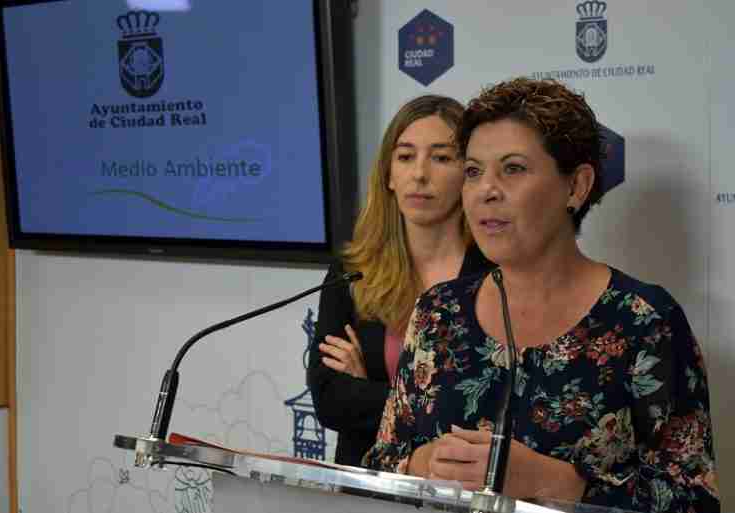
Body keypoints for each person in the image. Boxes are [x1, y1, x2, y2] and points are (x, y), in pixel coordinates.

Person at [363, 78, 719, 513]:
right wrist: (423, 463)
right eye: (473, 171)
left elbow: (694, 500)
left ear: (576, 186)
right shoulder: (439, 312)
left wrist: (557, 483)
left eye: (513, 169)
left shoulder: (644, 321)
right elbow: (380, 464)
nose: (486, 190)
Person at [307, 95, 493, 467]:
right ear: (389, 175)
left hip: (455, 482)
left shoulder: (494, 275)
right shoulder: (353, 270)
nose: (419, 174)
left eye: (441, 158)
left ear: (468, 173)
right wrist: (422, 404)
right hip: (365, 481)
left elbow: (479, 411)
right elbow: (330, 400)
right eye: (406, 157)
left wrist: (369, 390)